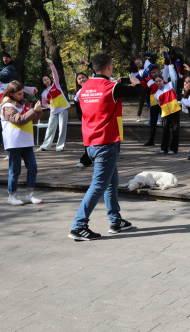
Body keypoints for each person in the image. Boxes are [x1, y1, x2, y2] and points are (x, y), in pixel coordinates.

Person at [69, 54, 143, 241]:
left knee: (111, 181)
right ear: (109, 68)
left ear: (93, 68)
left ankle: (115, 220)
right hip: (106, 142)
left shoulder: (84, 88)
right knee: (99, 184)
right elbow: (139, 91)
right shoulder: (112, 87)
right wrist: (135, 81)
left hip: (91, 141)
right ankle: (79, 226)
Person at [0, 81, 44, 205]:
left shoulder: (23, 104)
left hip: (26, 140)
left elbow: (32, 120)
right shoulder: (6, 106)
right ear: (11, 93)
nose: (22, 96)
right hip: (14, 142)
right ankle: (12, 195)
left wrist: (38, 111)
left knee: (33, 167)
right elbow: (18, 120)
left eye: (22, 93)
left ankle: (29, 194)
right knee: (15, 170)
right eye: (19, 94)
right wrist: (33, 111)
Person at [0, 72, 37, 160]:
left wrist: (32, 90)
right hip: (1, 114)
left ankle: (9, 152)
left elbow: (21, 88)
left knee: (10, 131)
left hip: (12, 111)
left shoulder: (7, 86)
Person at [146, 52, 181, 155]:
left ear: (162, 80)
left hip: (174, 111)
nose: (158, 83)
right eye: (156, 82)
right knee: (165, 131)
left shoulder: (170, 86)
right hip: (165, 113)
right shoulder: (157, 93)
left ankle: (173, 149)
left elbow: (174, 78)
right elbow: (159, 104)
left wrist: (171, 68)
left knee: (175, 131)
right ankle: (164, 148)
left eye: (160, 81)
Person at [38, 58, 70, 152]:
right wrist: (50, 106)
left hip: (63, 108)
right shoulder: (43, 93)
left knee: (62, 128)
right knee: (50, 128)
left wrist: (51, 64)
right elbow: (44, 103)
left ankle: (60, 146)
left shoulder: (56, 85)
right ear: (43, 82)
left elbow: (55, 75)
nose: (47, 80)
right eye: (44, 80)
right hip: (53, 111)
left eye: (47, 79)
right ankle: (45, 146)